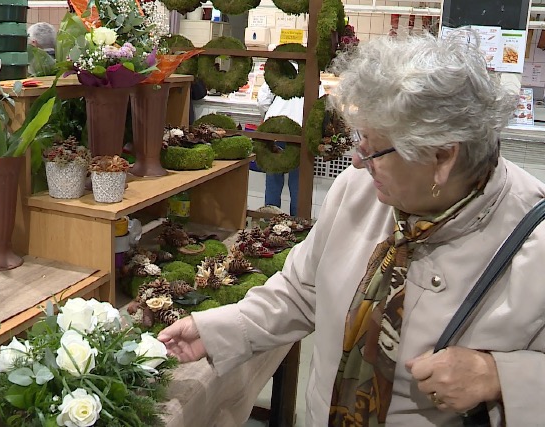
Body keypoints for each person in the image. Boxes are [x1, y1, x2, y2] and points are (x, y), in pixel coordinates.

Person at [159, 32, 545, 426]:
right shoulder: (358, 191)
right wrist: (218, 330)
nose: (359, 161)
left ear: (443, 157)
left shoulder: (535, 241)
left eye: (374, 147)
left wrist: (500, 378)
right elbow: (301, 290)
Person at [257, 74, 325, 216]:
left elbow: (262, 100)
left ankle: (269, 221)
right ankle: (297, 225)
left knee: (273, 182)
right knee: (298, 185)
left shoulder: (279, 73)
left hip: (275, 130)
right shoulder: (314, 76)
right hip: (301, 133)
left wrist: (273, 112)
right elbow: (321, 107)